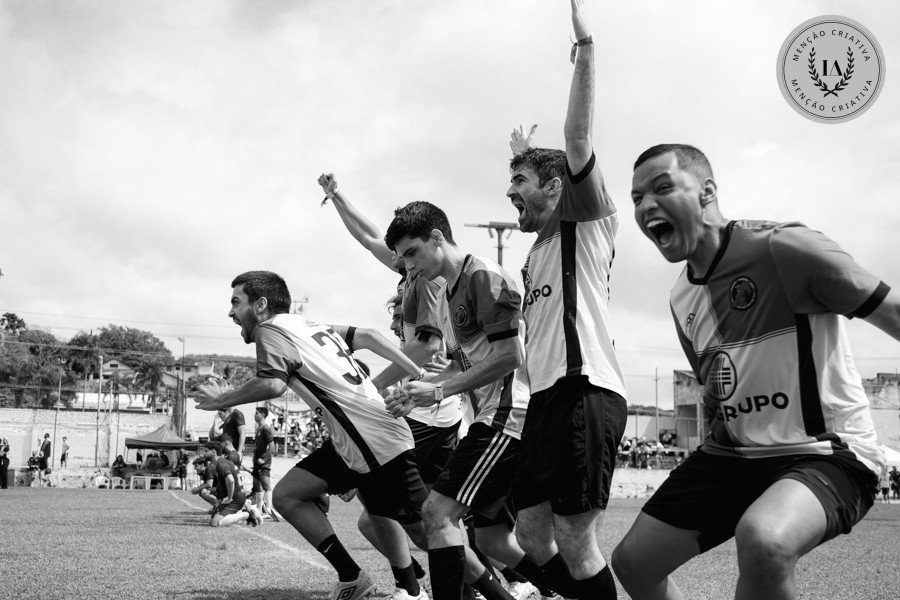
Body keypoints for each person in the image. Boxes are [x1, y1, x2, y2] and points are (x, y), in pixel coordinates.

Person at [611, 143, 900, 600]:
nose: (646, 206)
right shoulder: (680, 297)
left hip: (827, 452)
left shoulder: (784, 248)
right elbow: (716, 389)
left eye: (662, 187)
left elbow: (894, 313)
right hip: (735, 456)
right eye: (636, 198)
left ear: (707, 191)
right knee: (633, 563)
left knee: (765, 541)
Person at [195, 270, 430, 600]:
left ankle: (483, 583)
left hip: (371, 435)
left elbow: (273, 384)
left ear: (260, 305)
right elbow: (370, 336)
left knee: (429, 529)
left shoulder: (268, 329)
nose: (231, 312)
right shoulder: (311, 326)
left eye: (236, 302)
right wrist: (416, 371)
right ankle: (366, 579)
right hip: (355, 436)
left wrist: (220, 399)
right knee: (291, 496)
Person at [503, 4, 627, 600]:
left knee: (576, 538)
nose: (509, 192)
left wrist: (587, 51)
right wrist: (523, 155)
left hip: (586, 392)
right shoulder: (536, 251)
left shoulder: (586, 220)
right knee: (530, 533)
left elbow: (576, 138)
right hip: (547, 398)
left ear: (557, 187)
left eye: (520, 183)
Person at [384, 203, 553, 600]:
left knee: (437, 513)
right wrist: (416, 391)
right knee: (491, 539)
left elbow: (511, 356)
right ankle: (578, 589)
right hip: (490, 417)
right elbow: (462, 364)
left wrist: (438, 391)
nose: (409, 266)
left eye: (412, 253)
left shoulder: (483, 276)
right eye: (403, 259)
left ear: (437, 238)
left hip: (510, 414)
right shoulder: (447, 294)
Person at [318, 172, 464, 597]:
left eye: (408, 252)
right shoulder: (412, 269)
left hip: (424, 407)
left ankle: (418, 584)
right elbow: (368, 238)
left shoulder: (428, 278)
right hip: (429, 407)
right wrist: (337, 196)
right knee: (412, 516)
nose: (401, 259)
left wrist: (368, 389)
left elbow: (426, 347)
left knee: (402, 512)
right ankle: (437, 581)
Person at [204, 441, 260, 527]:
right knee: (212, 520)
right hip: (235, 496)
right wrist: (220, 499)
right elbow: (225, 484)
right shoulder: (221, 462)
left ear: (214, 452)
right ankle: (247, 509)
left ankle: (247, 514)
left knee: (215, 523)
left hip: (236, 498)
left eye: (206, 451)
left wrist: (229, 498)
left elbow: (231, 480)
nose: (204, 454)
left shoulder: (221, 464)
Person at [252, 406, 282, 521]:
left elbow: (272, 445)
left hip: (263, 463)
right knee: (257, 486)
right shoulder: (259, 428)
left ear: (263, 415)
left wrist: (264, 459)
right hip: (256, 462)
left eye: (257, 413)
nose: (255, 415)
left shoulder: (266, 428)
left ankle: (269, 509)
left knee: (266, 485)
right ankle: (259, 510)